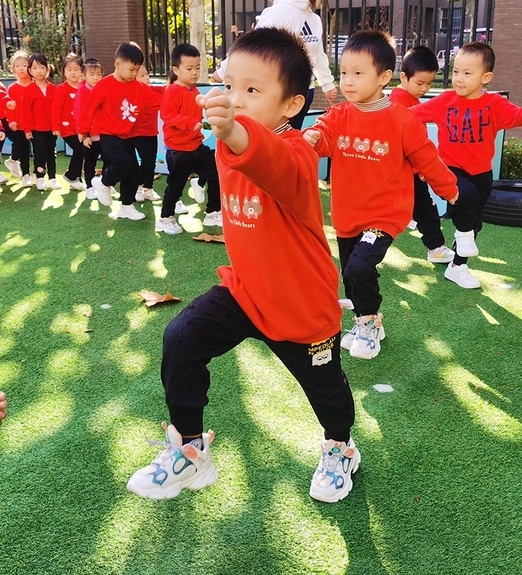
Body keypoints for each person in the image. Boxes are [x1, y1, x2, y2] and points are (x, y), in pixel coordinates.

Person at [127, 27, 359, 504]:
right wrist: (229, 130)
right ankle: (191, 451)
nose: (235, 97)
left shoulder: (294, 152)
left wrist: (233, 128)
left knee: (328, 392)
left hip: (301, 305)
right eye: (230, 85)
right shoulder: (226, 140)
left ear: (292, 105)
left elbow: (269, 160)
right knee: (182, 337)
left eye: (253, 91)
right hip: (247, 291)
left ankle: (341, 447)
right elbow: (236, 144)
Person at [304, 30, 459, 360]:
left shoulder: (402, 120)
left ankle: (371, 323)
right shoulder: (339, 115)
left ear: (384, 77)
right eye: (344, 72)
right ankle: (364, 321)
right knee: (351, 272)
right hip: (347, 216)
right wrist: (312, 137)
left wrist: (451, 190)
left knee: (359, 268)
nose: (347, 81)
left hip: (384, 216)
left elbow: (428, 160)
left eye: (358, 73)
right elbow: (324, 137)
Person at [412, 42, 522, 289]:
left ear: (486, 77)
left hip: (481, 172)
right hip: (449, 168)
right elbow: (410, 115)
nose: (458, 79)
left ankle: (458, 266)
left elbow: (517, 118)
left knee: (474, 221)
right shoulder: (445, 101)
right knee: (465, 196)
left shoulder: (494, 105)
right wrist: (382, 112)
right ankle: (462, 236)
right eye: (455, 72)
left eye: (467, 73)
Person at [214, 0, 337, 127]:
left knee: (267, 142)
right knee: (290, 140)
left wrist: (222, 73)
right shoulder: (313, 18)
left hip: (277, 92)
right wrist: (327, 84)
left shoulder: (278, 12)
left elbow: (252, 50)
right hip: (303, 92)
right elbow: (317, 55)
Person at [81, 42, 163, 220]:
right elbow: (90, 108)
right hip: (109, 135)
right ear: (117, 64)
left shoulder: (139, 88)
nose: (134, 74)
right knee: (124, 164)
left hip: (128, 136)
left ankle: (126, 206)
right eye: (131, 69)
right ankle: (102, 182)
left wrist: (177, 97)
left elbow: (158, 99)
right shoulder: (104, 85)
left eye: (137, 70)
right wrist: (83, 131)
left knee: (132, 171)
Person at [389, 46, 454, 265]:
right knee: (426, 208)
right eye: (420, 83)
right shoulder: (399, 101)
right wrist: (421, 168)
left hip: (407, 168)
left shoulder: (407, 98)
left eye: (429, 83)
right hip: (409, 169)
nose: (424, 88)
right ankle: (435, 247)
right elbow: (405, 142)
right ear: (404, 77)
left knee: (419, 207)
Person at [156, 43, 222, 234]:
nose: (194, 73)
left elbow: (201, 104)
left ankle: (213, 212)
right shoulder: (173, 91)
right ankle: (165, 217)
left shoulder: (193, 90)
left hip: (195, 145)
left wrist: (209, 105)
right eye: (189, 68)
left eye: (197, 68)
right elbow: (167, 116)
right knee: (175, 186)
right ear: (176, 70)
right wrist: (188, 122)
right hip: (178, 150)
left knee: (215, 171)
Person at [17, 53, 59, 191]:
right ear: (30, 71)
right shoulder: (29, 90)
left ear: (47, 69)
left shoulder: (53, 89)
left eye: (42, 67)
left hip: (51, 128)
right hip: (36, 129)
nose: (39, 71)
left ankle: (52, 178)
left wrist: (56, 126)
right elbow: (26, 111)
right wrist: (28, 130)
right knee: (40, 152)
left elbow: (57, 109)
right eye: (35, 68)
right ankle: (40, 176)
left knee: (51, 152)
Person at [52, 53, 86, 190]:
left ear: (82, 71)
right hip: (67, 129)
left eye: (76, 69)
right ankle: (72, 175)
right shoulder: (61, 89)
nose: (73, 72)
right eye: (69, 69)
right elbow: (56, 109)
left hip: (81, 128)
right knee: (80, 149)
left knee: (83, 150)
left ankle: (75, 176)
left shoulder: (84, 88)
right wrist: (56, 126)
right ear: (64, 71)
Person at [1, 51, 33, 187]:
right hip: (13, 122)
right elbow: (8, 106)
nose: (21, 68)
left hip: (32, 123)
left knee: (34, 147)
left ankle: (15, 161)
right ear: (13, 69)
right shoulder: (13, 88)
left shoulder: (35, 85)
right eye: (17, 65)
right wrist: (11, 120)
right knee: (20, 144)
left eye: (24, 65)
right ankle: (24, 172)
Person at [133, 65, 164, 203]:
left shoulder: (152, 90)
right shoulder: (133, 93)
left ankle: (148, 189)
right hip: (138, 134)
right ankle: (137, 187)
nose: (147, 78)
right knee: (147, 161)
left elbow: (167, 89)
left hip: (152, 133)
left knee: (152, 162)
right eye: (142, 76)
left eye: (147, 75)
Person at [75, 58, 105, 199]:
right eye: (92, 74)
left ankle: (105, 184)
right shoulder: (82, 92)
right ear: (84, 76)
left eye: (98, 74)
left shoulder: (104, 89)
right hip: (89, 136)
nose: (96, 77)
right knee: (90, 162)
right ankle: (90, 187)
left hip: (105, 134)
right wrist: (84, 134)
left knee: (109, 160)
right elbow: (79, 114)